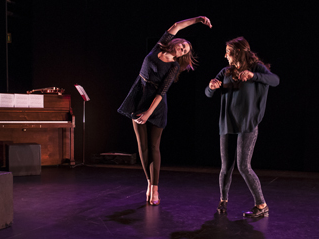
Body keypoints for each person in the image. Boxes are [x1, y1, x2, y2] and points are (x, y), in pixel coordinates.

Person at [118, 16, 212, 206]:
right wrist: (198, 19)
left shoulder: (174, 66)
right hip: (138, 97)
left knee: (154, 147)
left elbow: (162, 92)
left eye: (185, 51)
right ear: (176, 42)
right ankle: (148, 182)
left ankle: (156, 189)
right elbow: (176, 26)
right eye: (183, 45)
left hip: (156, 105)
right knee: (142, 147)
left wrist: (148, 114)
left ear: (181, 55)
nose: (182, 49)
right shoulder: (159, 47)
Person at [205, 37, 279, 217]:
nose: (225, 56)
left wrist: (253, 76)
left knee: (244, 166)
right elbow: (208, 93)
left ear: (238, 52)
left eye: (228, 52)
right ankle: (223, 201)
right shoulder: (225, 71)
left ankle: (262, 205)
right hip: (227, 123)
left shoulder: (255, 68)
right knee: (226, 166)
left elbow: (275, 80)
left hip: (247, 123)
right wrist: (211, 87)